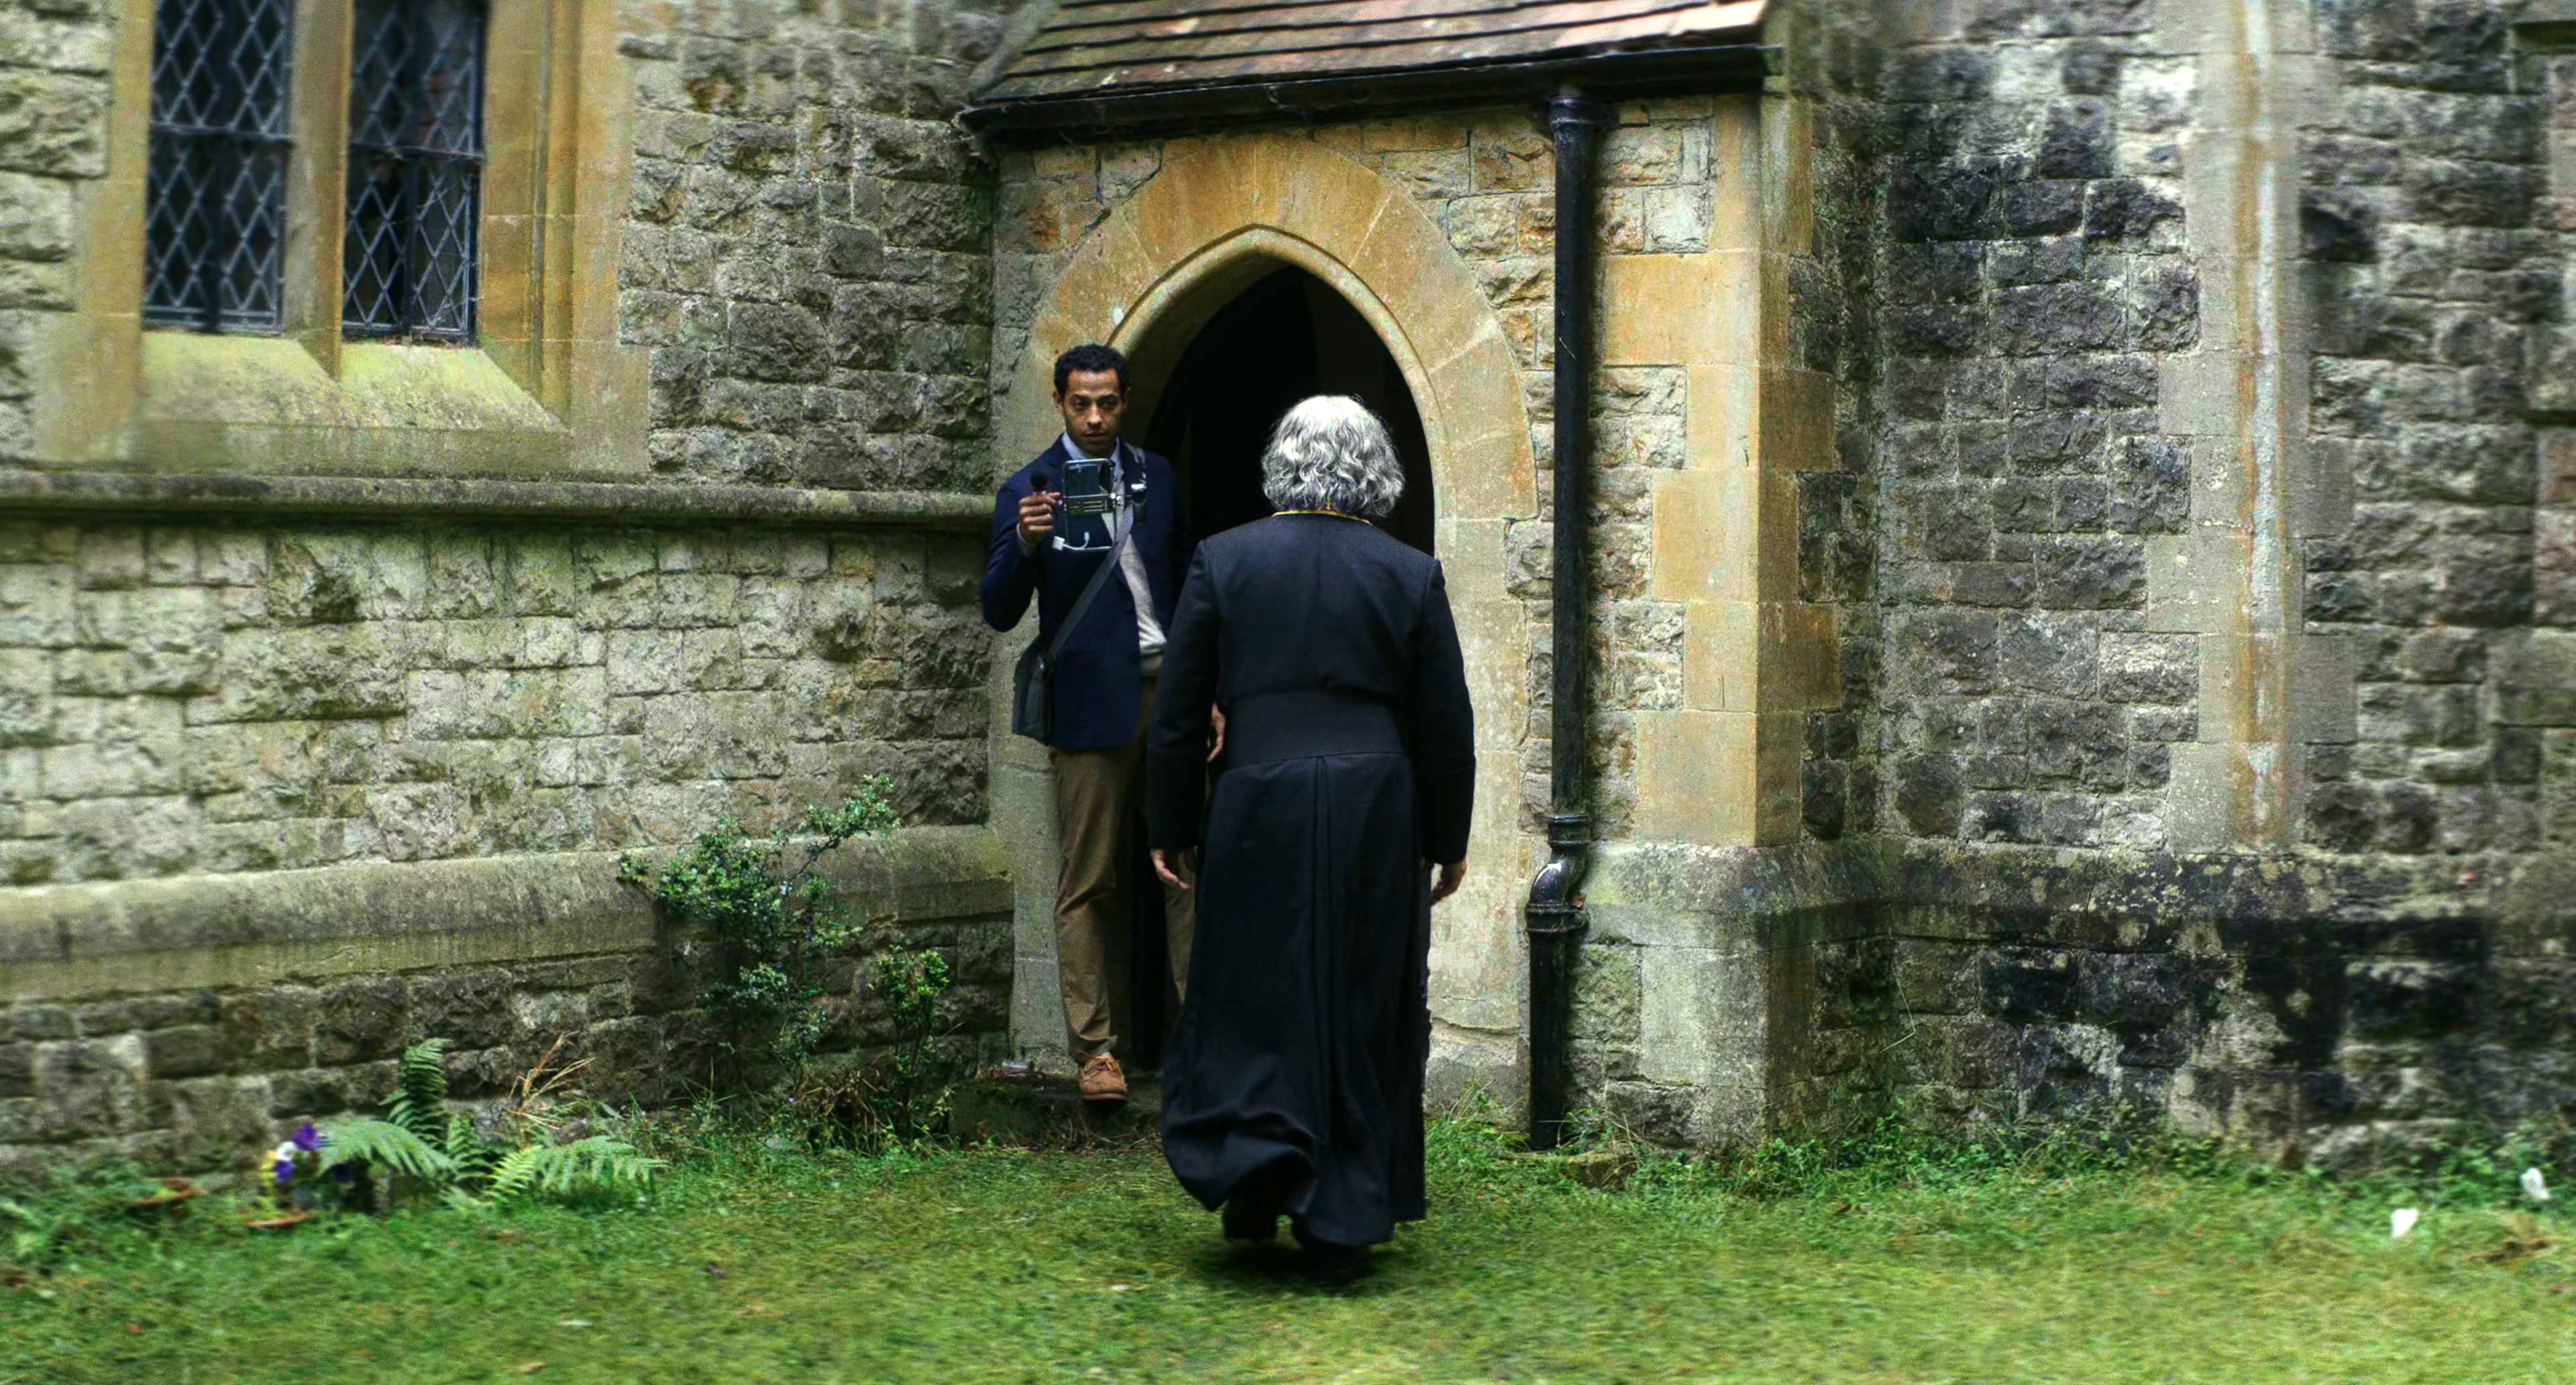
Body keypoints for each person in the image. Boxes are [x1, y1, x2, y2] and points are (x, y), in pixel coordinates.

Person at [1144, 394, 1474, 1278]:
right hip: (1375, 805)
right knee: (1362, 997)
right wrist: (1449, 835)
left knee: (1252, 994)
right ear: (1376, 473)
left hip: (1259, 798)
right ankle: (1343, 1212)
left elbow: (1178, 710)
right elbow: (1446, 721)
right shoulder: (1410, 573)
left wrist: (1170, 822)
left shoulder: (1225, 559)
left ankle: (1255, 1185)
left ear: (1282, 465)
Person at [981, 343, 1199, 1105]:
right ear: (1060, 403)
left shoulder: (1156, 476)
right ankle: (1097, 1050)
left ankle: (1203, 1038)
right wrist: (1027, 542)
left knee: (1185, 865)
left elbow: (1189, 583)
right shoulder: (1029, 489)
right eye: (1082, 404)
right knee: (1089, 877)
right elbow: (998, 608)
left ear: (1125, 399)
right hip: (1088, 701)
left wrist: (1207, 687)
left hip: (1170, 689)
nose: (1096, 417)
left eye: (1108, 402)